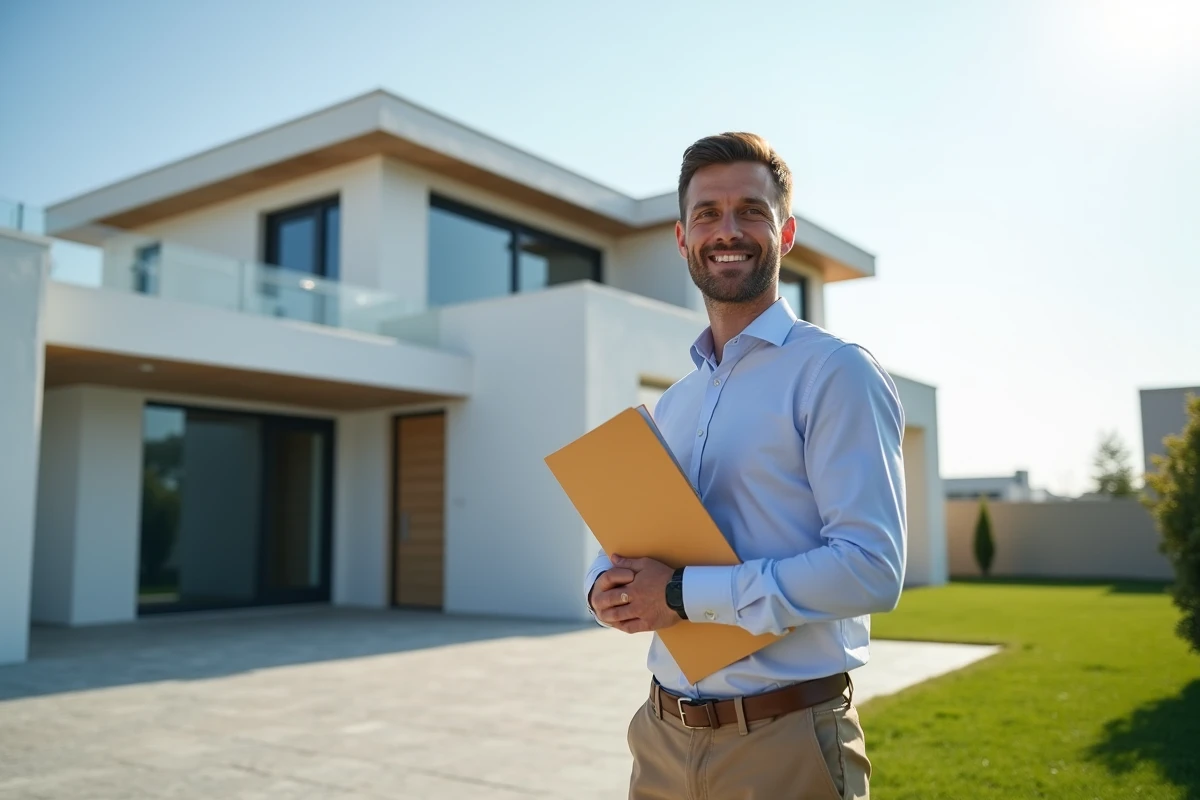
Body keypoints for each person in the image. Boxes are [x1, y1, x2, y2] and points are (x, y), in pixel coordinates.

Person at [584, 132, 907, 800]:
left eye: (750, 211)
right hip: (661, 738)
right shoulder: (675, 402)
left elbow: (871, 569)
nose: (727, 230)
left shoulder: (833, 371)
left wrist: (679, 594)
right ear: (681, 238)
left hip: (786, 744)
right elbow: (632, 545)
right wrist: (603, 589)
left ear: (784, 231)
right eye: (707, 213)